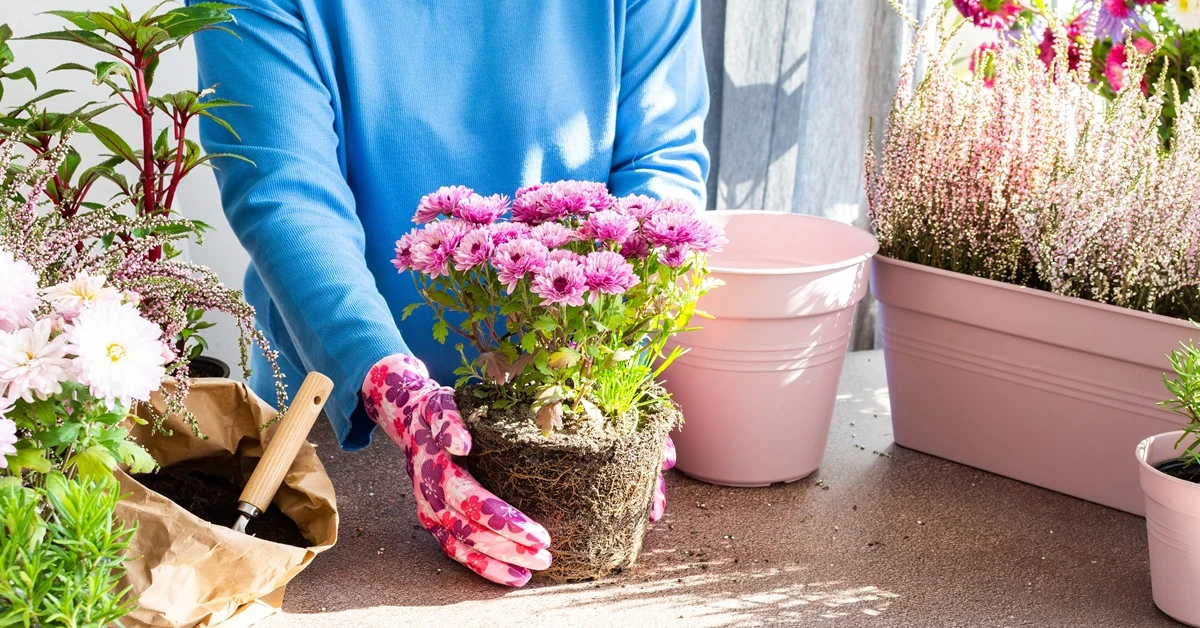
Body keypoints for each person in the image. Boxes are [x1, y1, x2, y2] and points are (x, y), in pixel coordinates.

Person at [191, 0, 709, 586]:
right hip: (327, 424)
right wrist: (401, 397)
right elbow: (287, 193)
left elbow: (660, 163)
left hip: (561, 406)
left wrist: (607, 384)